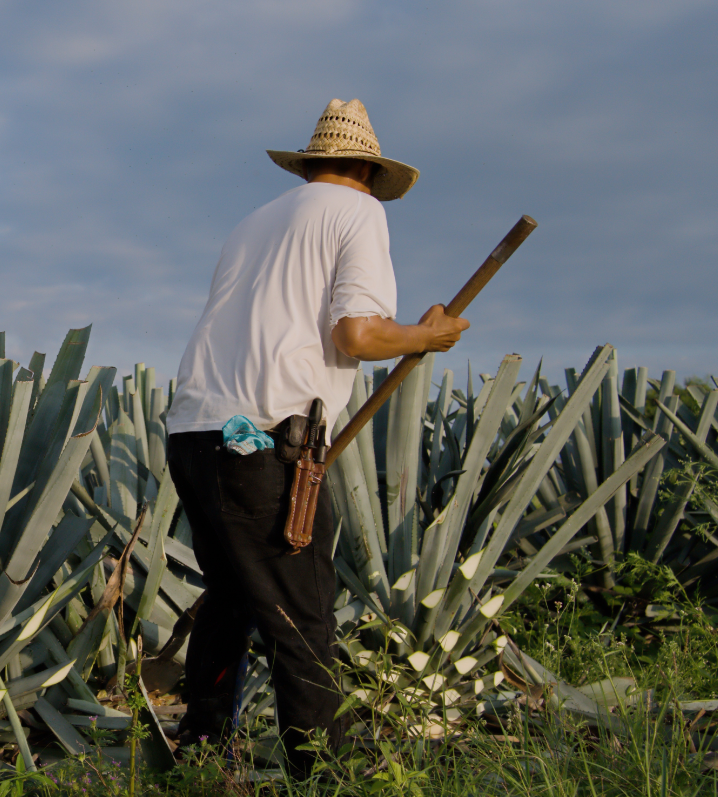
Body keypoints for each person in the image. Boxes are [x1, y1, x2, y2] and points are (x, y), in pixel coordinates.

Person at [164, 98, 469, 779]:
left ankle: (203, 752)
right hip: (265, 438)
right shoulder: (358, 212)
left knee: (232, 594)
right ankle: (325, 775)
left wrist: (413, 333)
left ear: (312, 164)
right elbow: (356, 335)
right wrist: (430, 336)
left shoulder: (253, 223)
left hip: (193, 430)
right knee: (300, 614)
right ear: (366, 168)